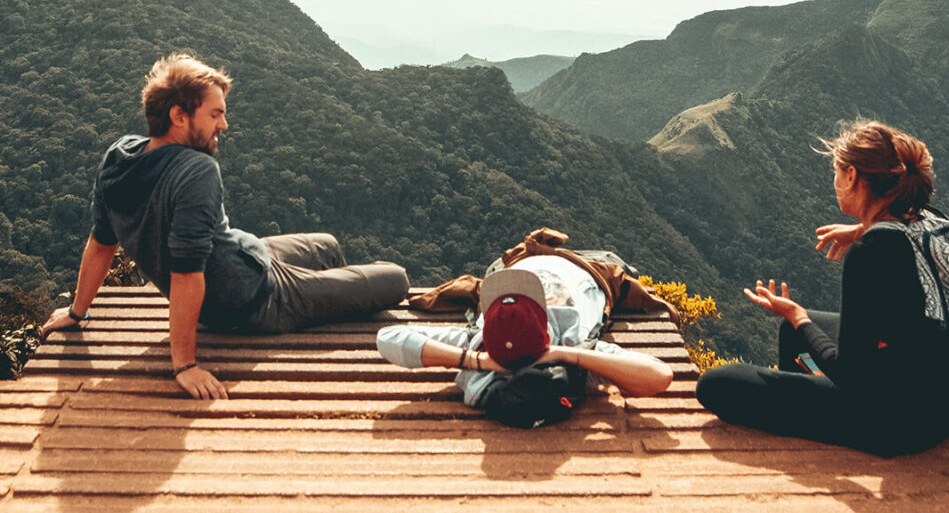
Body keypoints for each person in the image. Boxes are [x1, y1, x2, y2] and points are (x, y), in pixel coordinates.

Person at [40, 53, 409, 400]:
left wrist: (77, 311)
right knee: (396, 279)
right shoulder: (196, 170)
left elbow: (101, 242)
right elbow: (186, 273)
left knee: (327, 244)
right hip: (255, 299)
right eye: (215, 114)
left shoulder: (119, 157)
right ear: (179, 116)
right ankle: (326, 299)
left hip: (247, 255)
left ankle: (332, 294)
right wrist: (185, 365)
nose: (224, 124)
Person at [695, 120, 949, 457]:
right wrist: (861, 229)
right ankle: (811, 403)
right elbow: (896, 235)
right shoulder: (923, 219)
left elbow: (852, 378)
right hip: (943, 399)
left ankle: (819, 414)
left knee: (716, 384)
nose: (835, 182)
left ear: (853, 176)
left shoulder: (869, 254)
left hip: (896, 424)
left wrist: (798, 315)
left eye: (837, 173)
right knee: (791, 331)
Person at [376, 259, 674, 417]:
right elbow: (660, 376)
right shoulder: (572, 342)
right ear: (546, 327)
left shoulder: (478, 343)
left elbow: (387, 337)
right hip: (586, 267)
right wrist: (568, 354)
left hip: (512, 263)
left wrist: (477, 360)